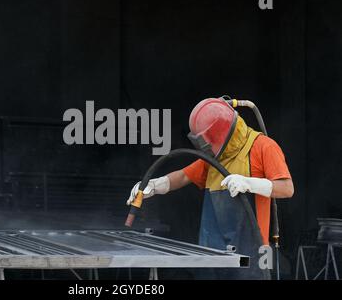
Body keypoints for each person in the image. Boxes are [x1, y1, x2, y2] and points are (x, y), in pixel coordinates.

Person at [126, 97, 294, 279]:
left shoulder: (264, 147)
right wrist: (154, 185)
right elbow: (183, 175)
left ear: (222, 134)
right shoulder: (214, 157)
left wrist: (249, 183)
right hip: (211, 255)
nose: (208, 149)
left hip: (255, 255)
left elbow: (287, 188)